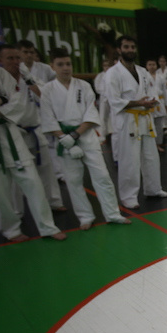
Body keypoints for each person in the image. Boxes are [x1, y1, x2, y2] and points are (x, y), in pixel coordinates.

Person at [0, 27, 65, 241]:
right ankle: (11, 230)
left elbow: (16, 103)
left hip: (9, 132)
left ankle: (48, 227)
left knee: (32, 181)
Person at [41, 48, 131, 230]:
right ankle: (85, 216)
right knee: (73, 180)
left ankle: (112, 213)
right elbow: (48, 119)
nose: (65, 68)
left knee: (102, 176)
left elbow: (91, 113)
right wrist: (65, 138)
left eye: (68, 64)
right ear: (52, 66)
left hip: (85, 135)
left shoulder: (83, 86)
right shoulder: (48, 90)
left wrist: (75, 135)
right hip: (64, 140)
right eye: (60, 64)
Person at [0, 43, 66, 213]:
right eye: (10, 58)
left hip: (34, 129)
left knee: (46, 169)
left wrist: (28, 80)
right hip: (13, 131)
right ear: (0, 60)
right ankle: (17, 210)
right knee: (17, 172)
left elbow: (44, 95)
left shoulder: (29, 77)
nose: (15, 61)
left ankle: (54, 202)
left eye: (17, 58)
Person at [105, 35, 167, 209]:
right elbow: (114, 100)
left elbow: (152, 91)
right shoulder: (113, 73)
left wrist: (152, 101)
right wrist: (138, 103)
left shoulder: (142, 71)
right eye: (126, 47)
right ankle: (128, 196)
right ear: (119, 49)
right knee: (129, 160)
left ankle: (153, 188)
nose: (130, 50)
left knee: (151, 156)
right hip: (128, 120)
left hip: (145, 118)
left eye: (132, 47)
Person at [145, 58, 167, 152]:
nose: (152, 66)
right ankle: (149, 146)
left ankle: (158, 144)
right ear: (146, 66)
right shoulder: (144, 77)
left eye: (153, 64)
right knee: (148, 126)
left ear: (156, 65)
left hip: (160, 103)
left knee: (159, 126)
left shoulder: (161, 77)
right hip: (148, 103)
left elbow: (165, 91)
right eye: (149, 64)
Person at [94, 58, 115, 151]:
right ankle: (102, 135)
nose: (106, 67)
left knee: (114, 116)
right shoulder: (100, 76)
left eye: (108, 65)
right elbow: (97, 88)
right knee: (103, 117)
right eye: (105, 66)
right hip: (103, 98)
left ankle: (113, 132)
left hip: (113, 98)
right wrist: (105, 93)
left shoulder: (114, 75)